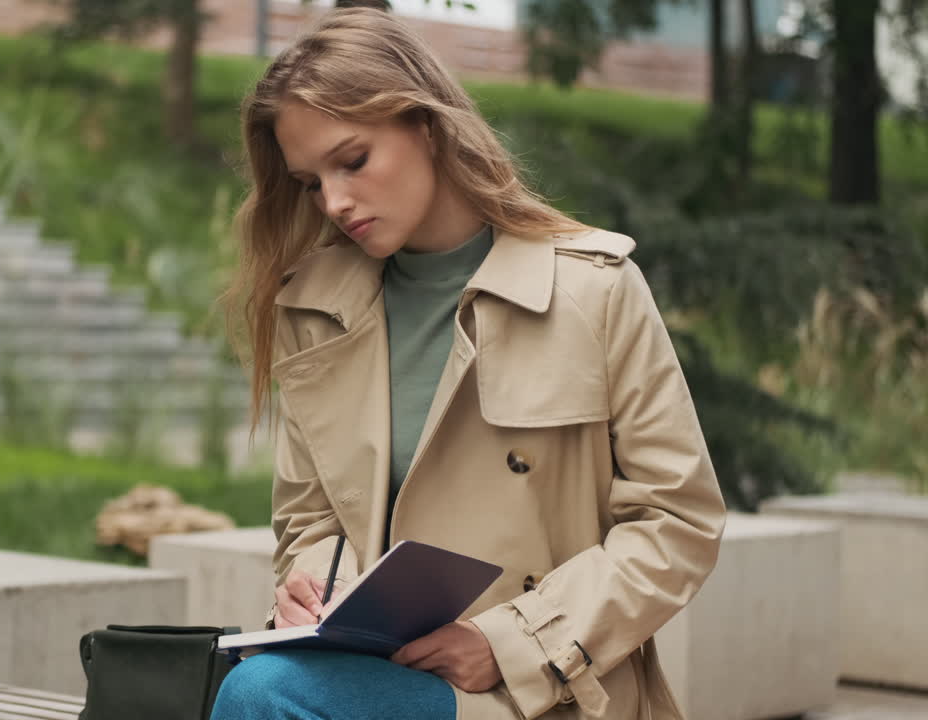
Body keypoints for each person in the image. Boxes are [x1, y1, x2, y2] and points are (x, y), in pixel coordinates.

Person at [215, 7, 726, 720]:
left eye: (353, 160)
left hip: (540, 693)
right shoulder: (315, 308)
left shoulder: (592, 290)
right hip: (379, 673)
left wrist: (514, 641)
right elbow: (311, 521)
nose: (333, 201)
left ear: (426, 125)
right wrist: (312, 583)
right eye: (309, 182)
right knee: (263, 690)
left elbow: (678, 521)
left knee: (261, 697)